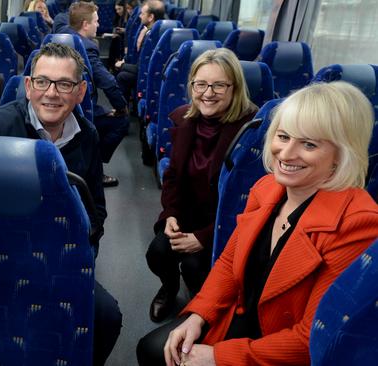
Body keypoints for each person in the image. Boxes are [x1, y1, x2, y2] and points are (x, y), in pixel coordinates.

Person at [138, 81, 378, 366]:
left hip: (279, 349)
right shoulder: (267, 188)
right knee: (152, 349)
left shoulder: (360, 225)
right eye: (283, 136)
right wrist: (198, 315)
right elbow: (229, 262)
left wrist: (218, 356)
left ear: (341, 155)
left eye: (309, 144)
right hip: (241, 317)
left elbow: (312, 337)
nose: (286, 154)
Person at [0, 42, 122, 366]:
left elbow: (97, 209)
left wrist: (82, 250)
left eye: (64, 84)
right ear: (28, 86)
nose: (51, 93)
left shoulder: (88, 136)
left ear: (80, 92)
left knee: (107, 317)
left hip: (60, 259)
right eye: (42, 82)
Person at [145, 48, 258, 324]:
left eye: (219, 85)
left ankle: (202, 306)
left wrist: (204, 238)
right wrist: (170, 215)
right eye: (201, 84)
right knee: (158, 252)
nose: (208, 93)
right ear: (191, 86)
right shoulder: (185, 119)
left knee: (197, 266)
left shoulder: (253, 132)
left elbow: (249, 202)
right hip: (186, 215)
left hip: (224, 224)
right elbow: (172, 177)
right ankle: (169, 288)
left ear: (234, 88)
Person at [63, 1, 130, 187]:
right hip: (81, 111)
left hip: (63, 107)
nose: (98, 25)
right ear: (85, 24)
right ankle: (95, 169)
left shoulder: (61, 36)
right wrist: (121, 107)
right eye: (96, 21)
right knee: (122, 121)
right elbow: (107, 82)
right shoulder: (87, 47)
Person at [115, 0, 165, 101]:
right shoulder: (158, 33)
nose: (139, 16)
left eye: (142, 14)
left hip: (147, 75)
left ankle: (123, 111)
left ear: (151, 17)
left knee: (122, 75)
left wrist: (122, 65)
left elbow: (141, 68)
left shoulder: (150, 38)